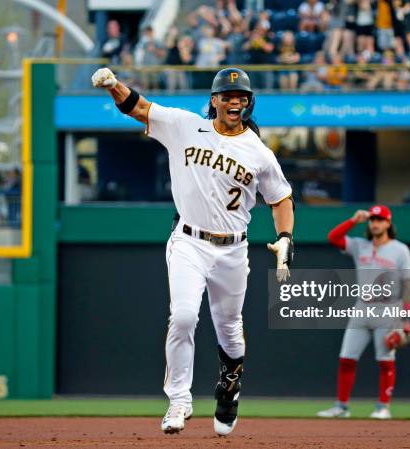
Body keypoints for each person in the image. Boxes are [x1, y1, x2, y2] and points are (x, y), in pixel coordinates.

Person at [92, 66, 295, 435]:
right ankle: (179, 401)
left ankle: (229, 387)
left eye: (242, 97)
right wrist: (113, 85)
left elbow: (281, 198)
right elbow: (139, 108)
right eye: (228, 96)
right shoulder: (186, 126)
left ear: (249, 103)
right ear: (214, 100)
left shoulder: (259, 152)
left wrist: (285, 237)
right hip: (188, 240)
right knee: (184, 316)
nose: (235, 102)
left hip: (233, 250)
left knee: (230, 330)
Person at [317, 205, 410, 420]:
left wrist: (406, 317)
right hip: (362, 308)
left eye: (380, 220)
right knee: (346, 359)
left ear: (388, 223)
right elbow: (333, 237)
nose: (375, 223)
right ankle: (341, 407)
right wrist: (353, 220)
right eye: (372, 220)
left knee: (385, 360)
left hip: (388, 310)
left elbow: (408, 284)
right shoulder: (360, 245)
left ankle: (383, 407)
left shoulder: (400, 249)